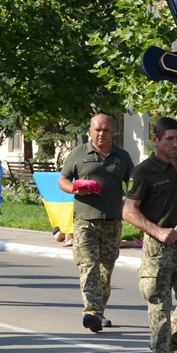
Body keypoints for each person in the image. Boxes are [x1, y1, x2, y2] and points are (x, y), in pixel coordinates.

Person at [123, 117, 177, 353]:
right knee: (159, 307)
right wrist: (158, 231)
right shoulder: (146, 170)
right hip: (159, 250)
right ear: (155, 140)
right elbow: (129, 211)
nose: (176, 144)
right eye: (170, 139)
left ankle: (166, 346)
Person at [59, 114, 134, 333]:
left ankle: (98, 312)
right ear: (90, 132)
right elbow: (63, 179)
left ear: (113, 132)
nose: (101, 134)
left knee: (105, 271)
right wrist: (74, 188)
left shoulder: (122, 156)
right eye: (97, 130)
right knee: (88, 264)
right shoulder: (78, 153)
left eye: (106, 130)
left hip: (112, 221)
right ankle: (91, 311)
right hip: (85, 220)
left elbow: (134, 182)